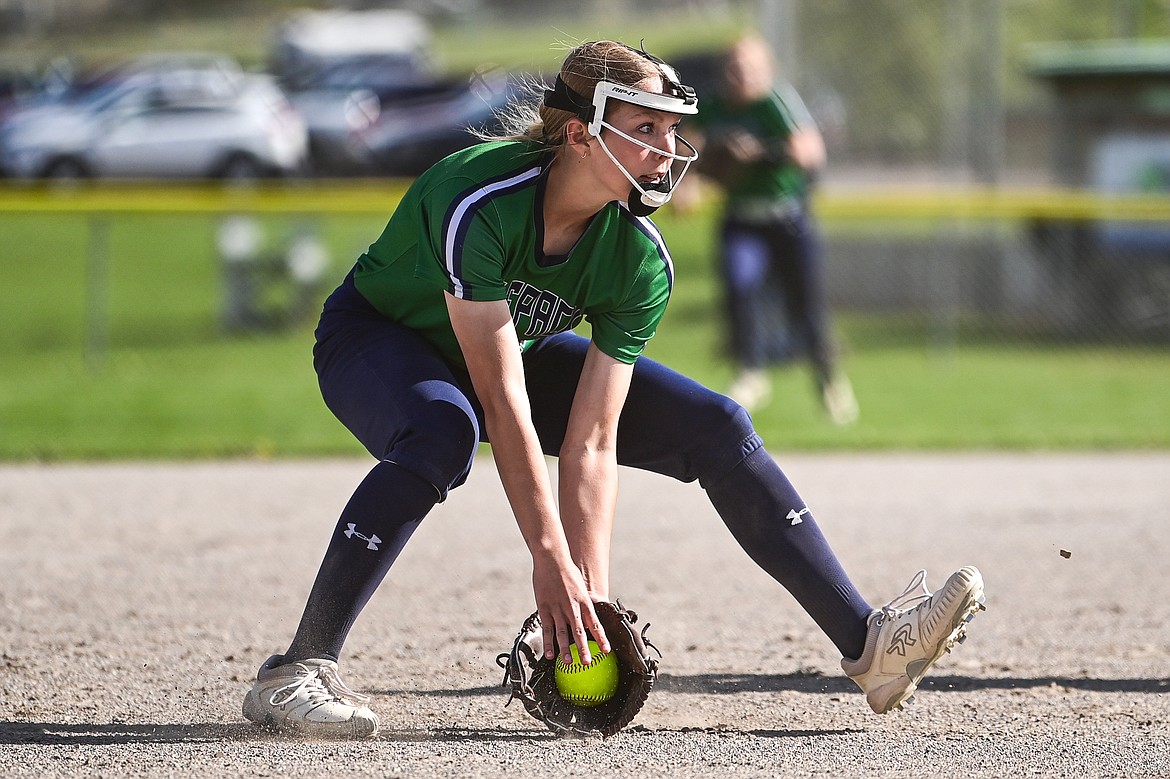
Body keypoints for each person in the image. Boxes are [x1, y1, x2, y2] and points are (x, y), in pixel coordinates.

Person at [241, 40, 984, 738]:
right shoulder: (484, 197)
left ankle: (870, 646)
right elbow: (503, 408)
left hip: (505, 351)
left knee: (717, 424)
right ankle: (297, 669)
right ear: (578, 134)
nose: (668, 148)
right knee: (444, 429)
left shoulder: (637, 257)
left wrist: (587, 595)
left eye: (672, 129)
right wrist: (549, 562)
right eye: (646, 127)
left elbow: (593, 436)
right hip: (377, 339)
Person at [690, 35, 858, 423]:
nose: (738, 75)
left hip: (786, 219)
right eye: (732, 67)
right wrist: (691, 179)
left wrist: (760, 153)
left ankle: (828, 378)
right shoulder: (714, 105)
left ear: (765, 71)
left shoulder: (774, 102)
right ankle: (750, 371)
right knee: (738, 285)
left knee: (806, 309)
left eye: (747, 68)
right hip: (742, 219)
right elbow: (688, 149)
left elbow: (810, 152)